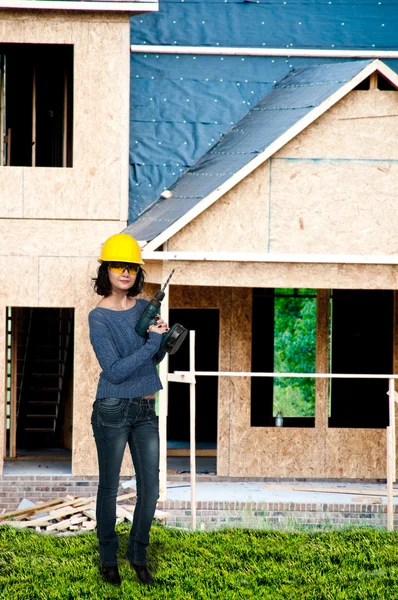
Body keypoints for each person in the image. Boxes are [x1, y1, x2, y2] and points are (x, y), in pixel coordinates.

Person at [89, 233, 168, 587]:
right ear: (106, 270)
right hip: (112, 407)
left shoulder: (144, 309)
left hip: (145, 408)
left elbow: (152, 359)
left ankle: (137, 556)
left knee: (150, 489)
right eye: (119, 266)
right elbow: (115, 370)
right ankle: (109, 560)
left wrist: (163, 341)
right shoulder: (98, 317)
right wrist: (151, 342)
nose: (126, 272)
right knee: (109, 487)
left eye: (132, 267)